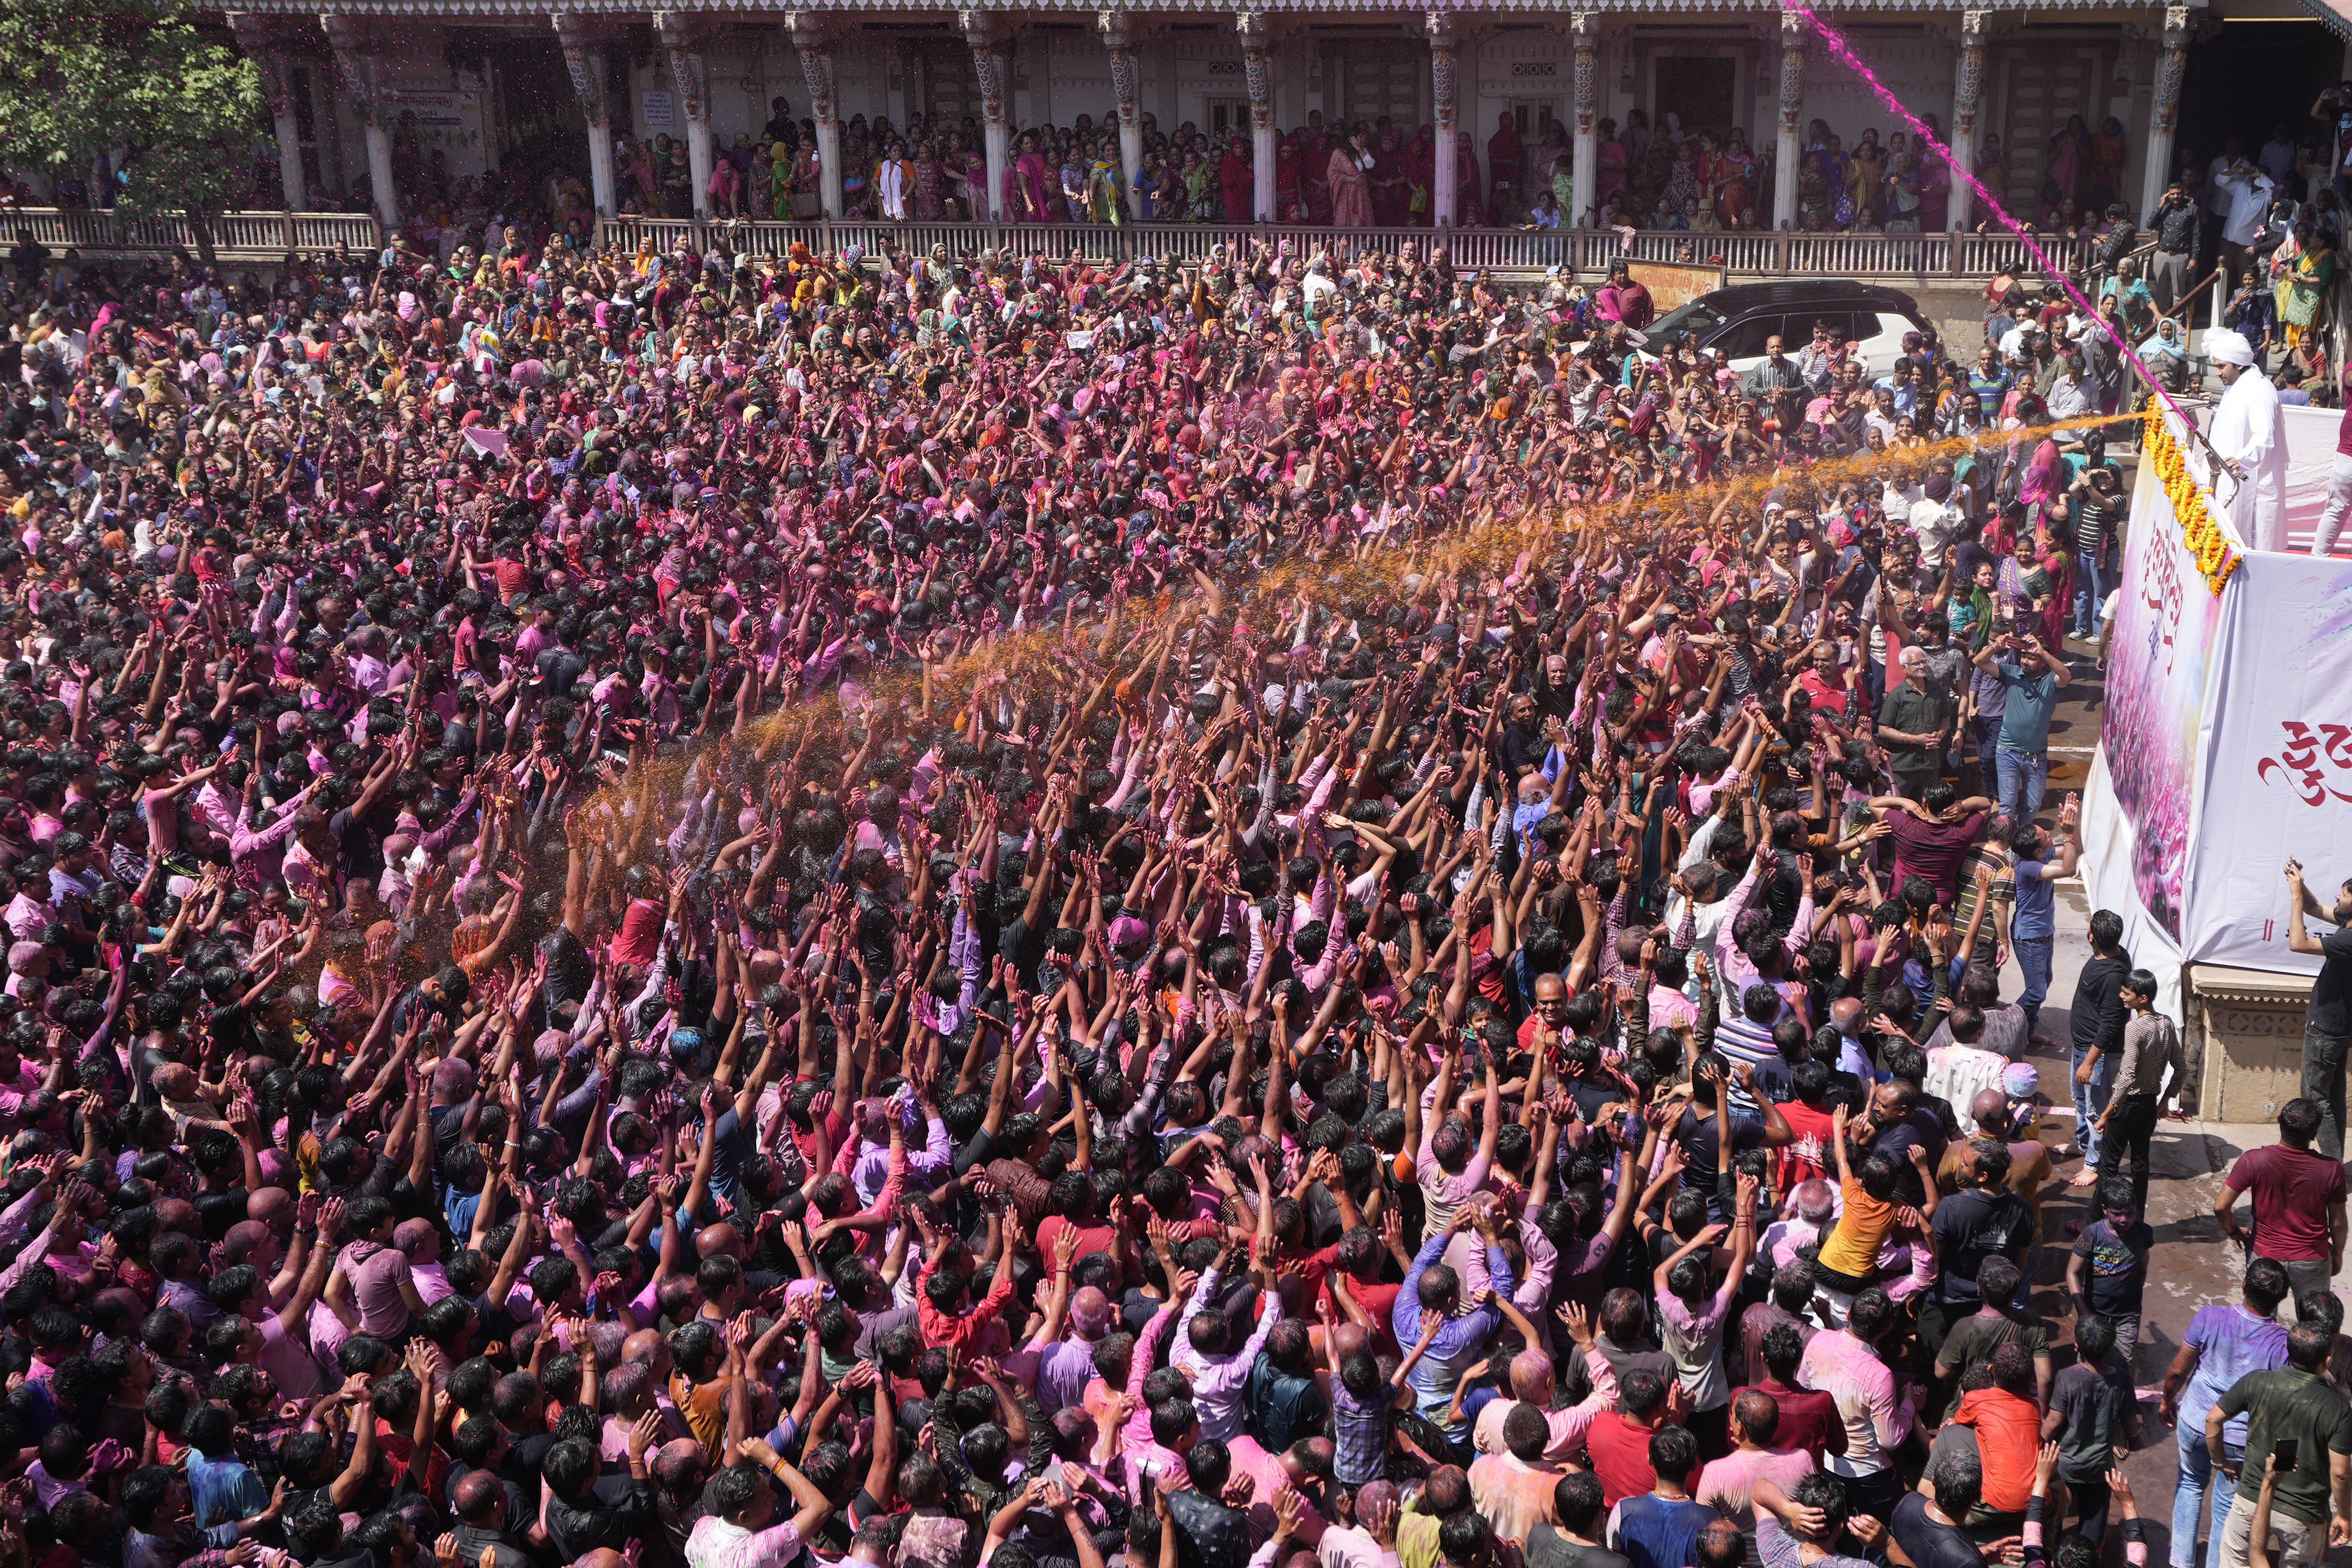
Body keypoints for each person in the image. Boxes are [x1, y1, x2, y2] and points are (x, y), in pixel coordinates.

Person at [2163, 1259, 2293, 1568]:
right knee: (2225, 1507)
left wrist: (2166, 1400)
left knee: (2191, 1484)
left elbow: (2177, 1370)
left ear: (2245, 1287)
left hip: (2196, 1421)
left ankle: (2180, 1562)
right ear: (2279, 1300)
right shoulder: (2282, 1344)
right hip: (2240, 1440)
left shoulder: (2210, 1317)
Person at [2207, 1322, 2352, 1568]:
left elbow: (2213, 1420)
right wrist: (2345, 1516)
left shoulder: (2256, 1382)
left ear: (2287, 1348)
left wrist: (2222, 1463)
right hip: (2305, 1516)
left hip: (2251, 1503)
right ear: (2327, 1361)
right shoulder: (2338, 1409)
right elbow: (2340, 1474)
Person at [2215, 1099, 2349, 1310]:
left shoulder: (2253, 1160)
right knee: (2314, 1327)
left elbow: (2221, 1206)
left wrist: (2234, 1232)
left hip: (2264, 1257)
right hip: (2312, 1260)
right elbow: (2339, 1223)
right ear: (2314, 1134)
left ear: (2280, 1122)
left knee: (2259, 1323)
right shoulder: (2332, 1169)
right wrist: (2338, 1254)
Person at [2283, 858, 2352, 1154]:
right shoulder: (2348, 922)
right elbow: (2314, 908)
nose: (2338, 896)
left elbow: (2297, 944)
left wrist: (2296, 896)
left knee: (2314, 1098)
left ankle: (2326, 1169)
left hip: (2326, 1031)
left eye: (2345, 894)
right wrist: (2298, 883)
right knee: (2332, 1097)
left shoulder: (2350, 937)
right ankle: (2333, 1163)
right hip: (2338, 1029)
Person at [2206, 326, 2290, 552]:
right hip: (2235, 477)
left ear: (2239, 365)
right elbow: (2237, 420)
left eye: (2221, 366)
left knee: (2252, 546)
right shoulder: (2239, 385)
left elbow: (2264, 437)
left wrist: (2241, 460)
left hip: (2254, 484)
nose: (2218, 373)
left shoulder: (2259, 390)